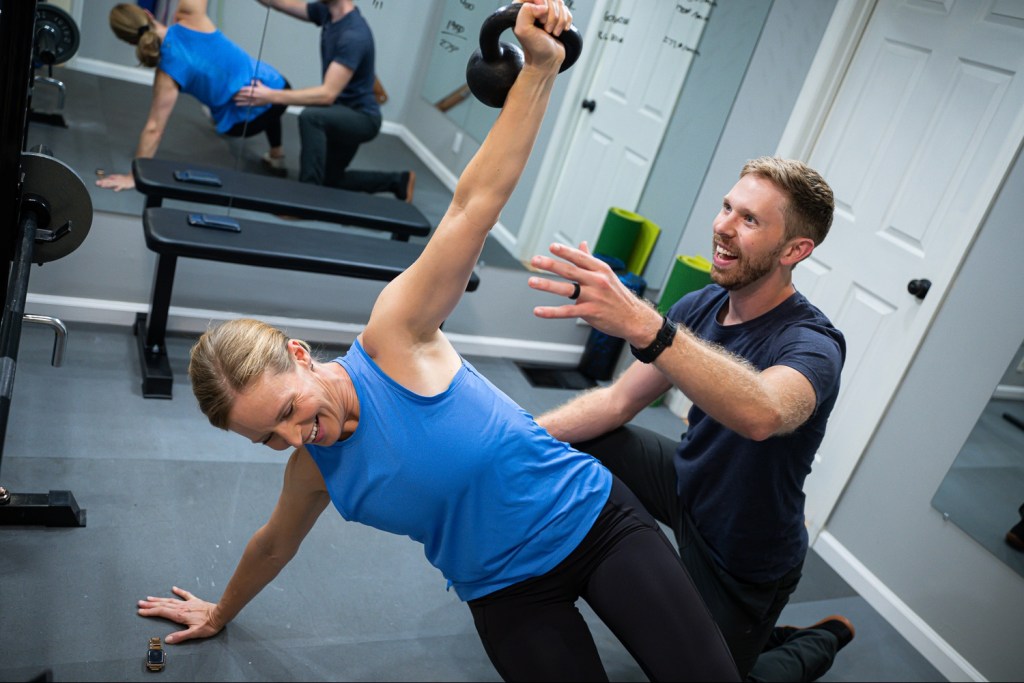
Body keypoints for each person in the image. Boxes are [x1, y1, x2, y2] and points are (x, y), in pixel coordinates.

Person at [135, 3, 738, 681]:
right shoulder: (315, 468)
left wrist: (540, 70)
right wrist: (219, 612)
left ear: (301, 355)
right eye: (270, 439)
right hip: (505, 589)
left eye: (286, 411)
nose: (297, 438)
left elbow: (473, 204)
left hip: (593, 523)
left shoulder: (395, 332)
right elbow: (273, 544)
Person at [526, 157, 851, 681]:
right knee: (596, 439)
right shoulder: (702, 304)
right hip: (687, 484)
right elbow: (616, 403)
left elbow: (762, 414)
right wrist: (515, 440)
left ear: (795, 250)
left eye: (750, 220)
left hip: (744, 551)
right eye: (728, 207)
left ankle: (816, 642)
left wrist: (643, 323)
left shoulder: (812, 344)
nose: (723, 226)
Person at [97, 1, 291, 192]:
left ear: (130, 41)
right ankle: (277, 152)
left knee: (223, 106)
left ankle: (269, 148)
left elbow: (154, 129)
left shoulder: (167, 74)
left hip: (243, 124)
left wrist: (133, 177)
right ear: (148, 14)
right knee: (253, 85)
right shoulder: (191, 14)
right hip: (280, 89)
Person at [237, 0, 416, 203]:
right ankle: (397, 181)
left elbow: (327, 94)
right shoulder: (327, 13)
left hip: (361, 118)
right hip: (341, 111)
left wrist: (270, 96)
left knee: (311, 117)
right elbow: (280, 3)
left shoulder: (354, 35)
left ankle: (305, 201)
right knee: (331, 180)